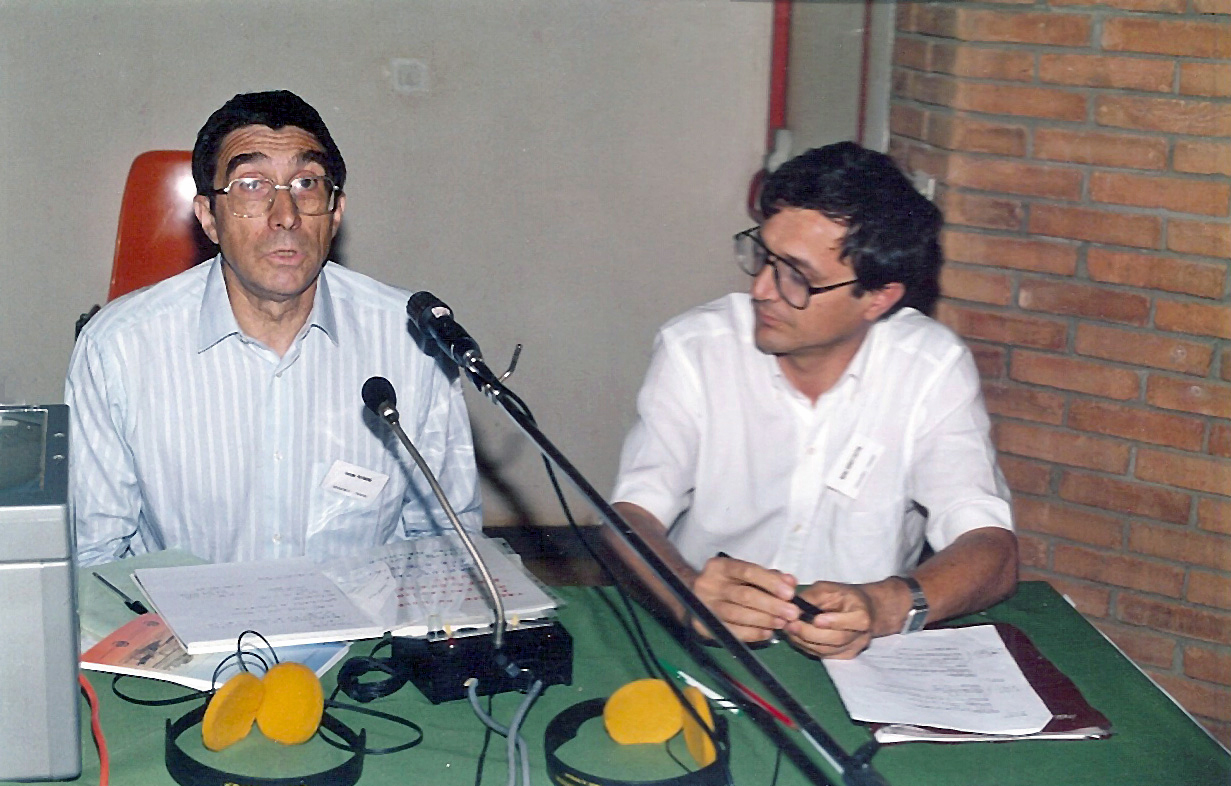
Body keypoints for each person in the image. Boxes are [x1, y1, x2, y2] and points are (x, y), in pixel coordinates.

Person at [611, 142, 1017, 659]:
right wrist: (686, 591)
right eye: (764, 257)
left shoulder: (930, 367)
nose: (762, 289)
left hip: (859, 657)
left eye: (798, 277)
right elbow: (629, 517)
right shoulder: (696, 348)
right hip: (704, 642)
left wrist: (885, 606)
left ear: (878, 298)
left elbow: (992, 549)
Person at [67, 90, 481, 566]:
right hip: (179, 616)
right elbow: (93, 559)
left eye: (307, 183)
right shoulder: (118, 349)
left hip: (364, 614)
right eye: (251, 185)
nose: (286, 216)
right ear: (208, 218)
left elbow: (449, 546)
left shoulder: (411, 343)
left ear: (335, 212)